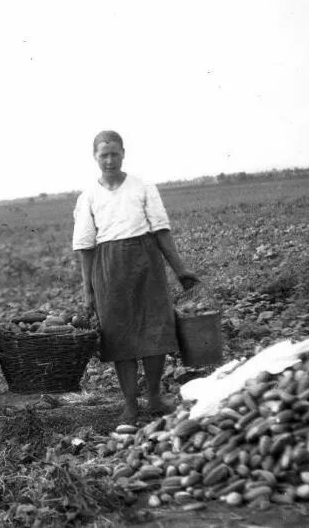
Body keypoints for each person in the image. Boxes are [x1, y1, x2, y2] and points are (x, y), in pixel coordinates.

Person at [73, 131, 199, 423]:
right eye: (103, 155)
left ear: (123, 153)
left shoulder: (142, 187)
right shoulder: (88, 196)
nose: (109, 160)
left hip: (146, 264)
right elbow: (85, 247)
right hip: (109, 269)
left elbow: (161, 230)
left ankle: (154, 396)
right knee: (120, 339)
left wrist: (180, 269)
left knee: (155, 332)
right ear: (95, 157)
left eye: (114, 153)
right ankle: (130, 404)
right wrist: (88, 289)